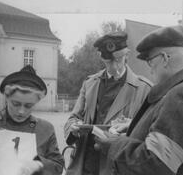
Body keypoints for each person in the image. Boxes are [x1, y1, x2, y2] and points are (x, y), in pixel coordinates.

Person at [94, 26, 183, 175]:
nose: (150, 69)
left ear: (165, 58)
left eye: (150, 61)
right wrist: (136, 128)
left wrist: (114, 144)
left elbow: (154, 163)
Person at [64, 32, 152, 175]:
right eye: (109, 62)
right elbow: (73, 118)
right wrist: (73, 127)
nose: (115, 66)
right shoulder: (89, 84)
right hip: (85, 164)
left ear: (126, 56)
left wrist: (131, 126)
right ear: (102, 59)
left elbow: (150, 132)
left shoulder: (145, 88)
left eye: (118, 60)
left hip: (118, 167)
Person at [0, 65, 64, 175]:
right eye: (15, 104)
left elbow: (58, 166)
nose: (21, 111)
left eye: (28, 106)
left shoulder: (46, 129)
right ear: (6, 97)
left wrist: (39, 164)